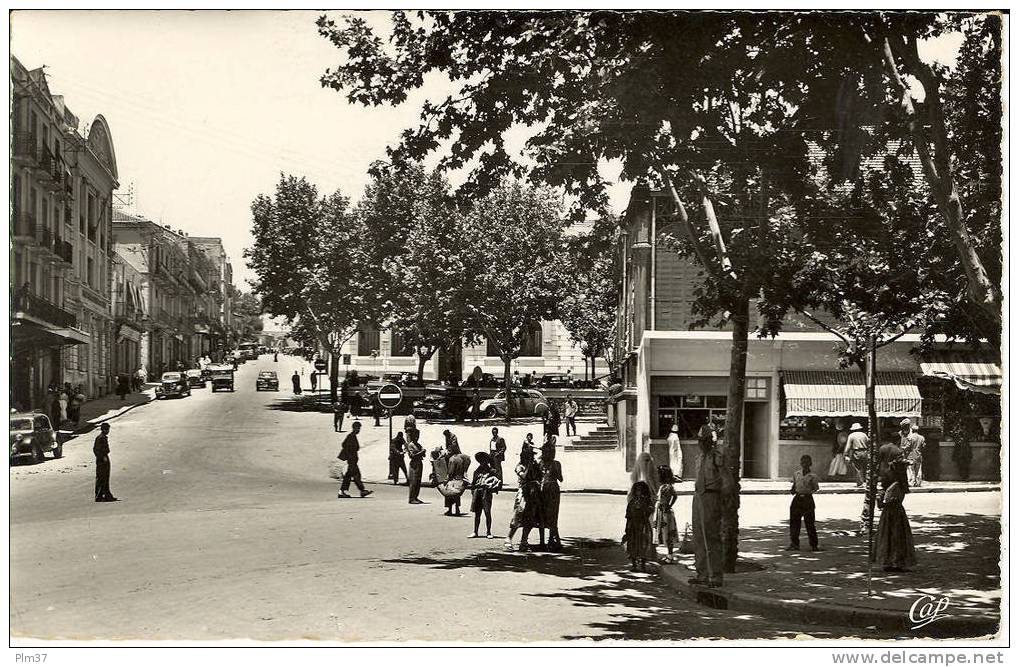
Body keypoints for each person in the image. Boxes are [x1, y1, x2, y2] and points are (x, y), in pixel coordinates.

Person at [691, 415, 728, 587]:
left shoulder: (717, 457)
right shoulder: (699, 458)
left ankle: (715, 575)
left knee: (711, 536)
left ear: (710, 441)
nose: (702, 443)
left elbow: (727, 481)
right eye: (700, 440)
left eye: (705, 440)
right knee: (698, 536)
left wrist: (725, 501)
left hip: (712, 496)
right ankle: (702, 574)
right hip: (699, 496)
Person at [873, 458, 916, 572]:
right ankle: (896, 561)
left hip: (890, 513)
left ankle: (891, 560)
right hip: (897, 512)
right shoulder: (899, 485)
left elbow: (883, 503)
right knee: (897, 536)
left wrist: (880, 499)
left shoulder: (893, 486)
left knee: (890, 536)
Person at [623, 452, 658, 572]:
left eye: (648, 461)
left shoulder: (645, 475)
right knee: (639, 538)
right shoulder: (636, 477)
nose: (646, 464)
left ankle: (645, 557)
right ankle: (638, 559)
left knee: (645, 536)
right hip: (636, 518)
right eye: (645, 461)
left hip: (644, 514)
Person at [506, 446, 543, 551]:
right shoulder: (520, 466)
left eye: (531, 456)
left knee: (530, 518)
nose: (531, 458)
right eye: (529, 456)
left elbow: (540, 476)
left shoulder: (535, 466)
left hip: (533, 493)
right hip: (523, 493)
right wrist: (529, 467)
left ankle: (524, 540)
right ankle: (508, 538)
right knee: (518, 515)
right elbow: (524, 477)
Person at [786, 455, 821, 552]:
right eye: (803, 462)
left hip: (807, 500)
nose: (805, 465)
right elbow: (794, 485)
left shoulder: (813, 476)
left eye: (807, 463)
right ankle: (794, 544)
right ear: (800, 463)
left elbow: (815, 488)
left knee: (809, 523)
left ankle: (814, 545)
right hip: (797, 499)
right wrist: (793, 490)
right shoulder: (796, 474)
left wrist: (807, 492)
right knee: (794, 522)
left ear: (810, 464)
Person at [539, 437, 564, 551]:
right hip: (550, 489)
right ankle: (548, 540)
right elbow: (560, 478)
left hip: (548, 489)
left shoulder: (545, 463)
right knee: (547, 514)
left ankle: (548, 540)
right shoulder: (553, 464)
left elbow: (560, 478)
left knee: (549, 514)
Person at [337, 422, 372, 499]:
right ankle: (362, 490)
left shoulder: (352, 436)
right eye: (358, 428)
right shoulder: (351, 436)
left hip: (352, 460)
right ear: (354, 428)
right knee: (356, 475)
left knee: (348, 476)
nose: (359, 430)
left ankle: (342, 491)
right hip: (352, 460)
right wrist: (349, 453)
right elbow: (344, 444)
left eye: (359, 428)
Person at [469, 451, 499, 539]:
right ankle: (475, 531)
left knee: (487, 512)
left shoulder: (491, 471)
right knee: (477, 514)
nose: (482, 463)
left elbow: (496, 482)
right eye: (481, 461)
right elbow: (473, 483)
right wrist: (473, 491)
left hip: (486, 492)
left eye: (484, 461)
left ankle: (488, 532)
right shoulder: (476, 471)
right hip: (477, 492)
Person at [654, 465, 679, 557]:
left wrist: (668, 505)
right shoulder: (665, 486)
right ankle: (669, 554)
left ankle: (670, 555)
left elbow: (674, 496)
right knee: (665, 532)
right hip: (662, 510)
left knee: (667, 533)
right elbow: (675, 496)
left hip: (664, 511)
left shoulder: (666, 487)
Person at [93, 423, 118, 502]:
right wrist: (102, 457)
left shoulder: (101, 438)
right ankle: (101, 496)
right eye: (107, 429)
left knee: (104, 478)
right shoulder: (101, 438)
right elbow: (97, 450)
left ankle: (105, 495)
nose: (108, 431)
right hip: (102, 460)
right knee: (102, 478)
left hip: (103, 459)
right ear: (104, 429)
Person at [442, 449, 471, 516]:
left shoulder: (452, 459)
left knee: (449, 494)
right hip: (460, 478)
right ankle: (457, 509)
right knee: (457, 494)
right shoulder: (460, 458)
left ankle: (450, 510)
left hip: (453, 479)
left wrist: (446, 479)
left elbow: (451, 471)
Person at [844, 422, 870, 487]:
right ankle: (867, 482)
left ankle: (860, 483)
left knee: (858, 468)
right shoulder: (864, 435)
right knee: (866, 467)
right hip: (865, 452)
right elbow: (869, 443)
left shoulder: (851, 435)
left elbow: (848, 446)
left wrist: (845, 454)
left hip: (857, 452)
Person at [901, 420, 926, 488]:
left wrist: (902, 448)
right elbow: (923, 446)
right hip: (918, 455)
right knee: (918, 470)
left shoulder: (910, 437)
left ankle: (911, 482)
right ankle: (918, 482)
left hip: (911, 455)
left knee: (910, 470)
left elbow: (907, 447)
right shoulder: (922, 437)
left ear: (912, 430)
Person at [406, 429, 426, 504]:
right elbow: (412, 456)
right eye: (415, 435)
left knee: (418, 481)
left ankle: (416, 497)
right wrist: (421, 452)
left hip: (419, 463)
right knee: (413, 481)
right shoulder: (411, 445)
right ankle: (411, 498)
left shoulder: (418, 444)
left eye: (418, 436)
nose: (417, 437)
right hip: (414, 464)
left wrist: (423, 452)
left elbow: (422, 454)